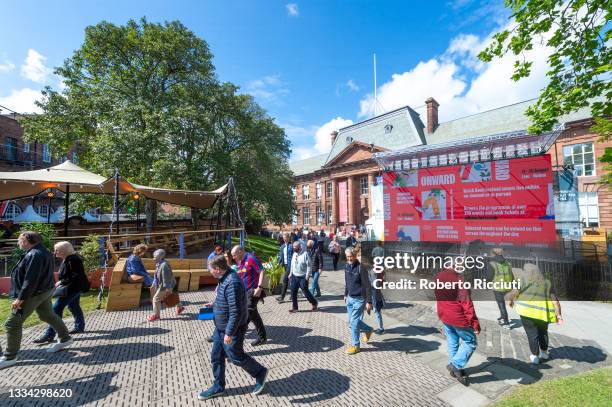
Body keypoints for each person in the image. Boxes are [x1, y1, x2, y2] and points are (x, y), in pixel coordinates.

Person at [198, 255, 268, 400]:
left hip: (232, 329)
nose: (209, 272)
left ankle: (260, 372)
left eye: (210, 270)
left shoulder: (233, 282)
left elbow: (235, 312)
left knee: (235, 356)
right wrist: (214, 304)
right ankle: (218, 386)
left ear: (217, 269)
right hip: (220, 327)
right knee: (216, 356)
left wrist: (229, 333)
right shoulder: (224, 278)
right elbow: (225, 299)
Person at [0, 232, 74, 369]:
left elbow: (31, 279)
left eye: (19, 240)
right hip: (44, 290)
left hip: (34, 293)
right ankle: (65, 338)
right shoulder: (42, 251)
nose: (18, 243)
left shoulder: (35, 254)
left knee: (12, 323)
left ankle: (10, 357)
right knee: (47, 314)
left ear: (27, 240)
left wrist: (20, 298)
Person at [33, 241, 90, 344]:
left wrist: (62, 281)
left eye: (57, 250)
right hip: (73, 288)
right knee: (74, 306)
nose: (55, 252)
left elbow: (77, 275)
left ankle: (49, 335)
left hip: (72, 289)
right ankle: (79, 327)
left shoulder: (73, 259)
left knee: (55, 310)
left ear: (64, 250)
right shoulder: (68, 258)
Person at [434, 264, 481, 386]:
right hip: (458, 317)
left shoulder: (439, 276)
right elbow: (467, 304)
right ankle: (455, 365)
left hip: (444, 314)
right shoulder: (459, 280)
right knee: (470, 342)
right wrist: (475, 323)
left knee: (452, 341)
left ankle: (456, 369)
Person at [508, 263, 562, 365]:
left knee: (532, 335)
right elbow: (555, 301)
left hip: (526, 313)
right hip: (542, 313)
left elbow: (514, 293)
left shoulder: (522, 280)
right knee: (543, 333)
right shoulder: (547, 283)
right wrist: (559, 315)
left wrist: (511, 301)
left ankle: (535, 356)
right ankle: (544, 353)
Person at [231, 246, 267, 346]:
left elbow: (262, 271)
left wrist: (259, 287)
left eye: (234, 255)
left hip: (253, 291)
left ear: (240, 251)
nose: (233, 258)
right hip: (244, 292)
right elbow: (243, 274)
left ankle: (235, 346)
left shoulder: (251, 258)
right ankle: (262, 337)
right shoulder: (239, 261)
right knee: (254, 316)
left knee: (245, 318)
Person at [344, 247, 373, 355]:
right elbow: (347, 281)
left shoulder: (361, 268)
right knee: (352, 323)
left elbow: (367, 286)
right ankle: (368, 329)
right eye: (347, 257)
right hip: (350, 298)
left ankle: (356, 346)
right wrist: (345, 294)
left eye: (351, 256)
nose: (349, 259)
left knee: (354, 323)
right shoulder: (346, 266)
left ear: (355, 256)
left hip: (359, 299)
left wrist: (369, 302)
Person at [148, 249, 185, 321]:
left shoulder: (164, 265)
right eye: (154, 256)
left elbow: (166, 278)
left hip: (165, 286)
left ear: (161, 257)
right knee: (171, 296)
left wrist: (168, 288)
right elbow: (156, 275)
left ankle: (156, 315)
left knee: (156, 299)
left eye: (156, 257)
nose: (154, 258)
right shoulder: (159, 263)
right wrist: (154, 283)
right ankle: (180, 307)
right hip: (165, 284)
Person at [288, 241, 319, 313]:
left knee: (305, 292)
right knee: (293, 292)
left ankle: (314, 303)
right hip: (294, 276)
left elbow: (309, 265)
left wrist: (307, 275)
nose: (294, 248)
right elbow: (292, 264)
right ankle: (295, 307)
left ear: (299, 247)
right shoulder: (294, 254)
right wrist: (290, 273)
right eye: (293, 247)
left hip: (302, 277)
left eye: (295, 247)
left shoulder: (305, 254)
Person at [487, 248, 514, 328]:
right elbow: (511, 275)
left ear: (493, 254)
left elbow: (489, 276)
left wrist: (486, 283)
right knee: (501, 304)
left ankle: (506, 323)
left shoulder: (492, 264)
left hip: (498, 287)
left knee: (501, 304)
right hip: (507, 286)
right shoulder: (508, 263)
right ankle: (502, 317)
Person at [276, 233, 293, 303]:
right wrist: (278, 263)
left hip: (291, 265)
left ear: (288, 238)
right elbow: (281, 257)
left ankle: (282, 297)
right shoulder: (282, 246)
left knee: (285, 280)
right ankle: (293, 295)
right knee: (292, 280)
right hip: (285, 265)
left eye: (285, 237)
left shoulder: (291, 246)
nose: (284, 239)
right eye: (283, 237)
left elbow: (294, 255)